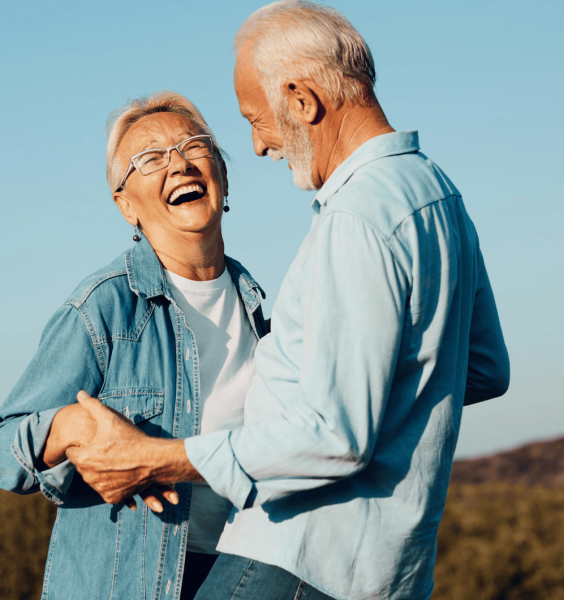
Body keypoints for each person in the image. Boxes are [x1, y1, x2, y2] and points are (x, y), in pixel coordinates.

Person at [66, 2, 511, 599]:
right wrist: (383, 401)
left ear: (303, 101)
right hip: (390, 572)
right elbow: (482, 368)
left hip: (295, 560)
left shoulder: (356, 218)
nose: (256, 146)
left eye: (257, 118)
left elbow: (334, 436)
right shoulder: (437, 194)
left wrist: (158, 459)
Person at [0, 92, 269, 600]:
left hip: (238, 575)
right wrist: (69, 427)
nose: (178, 163)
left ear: (223, 175)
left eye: (193, 146)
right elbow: (1, 452)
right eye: (150, 158)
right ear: (126, 205)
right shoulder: (103, 307)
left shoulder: (261, 310)